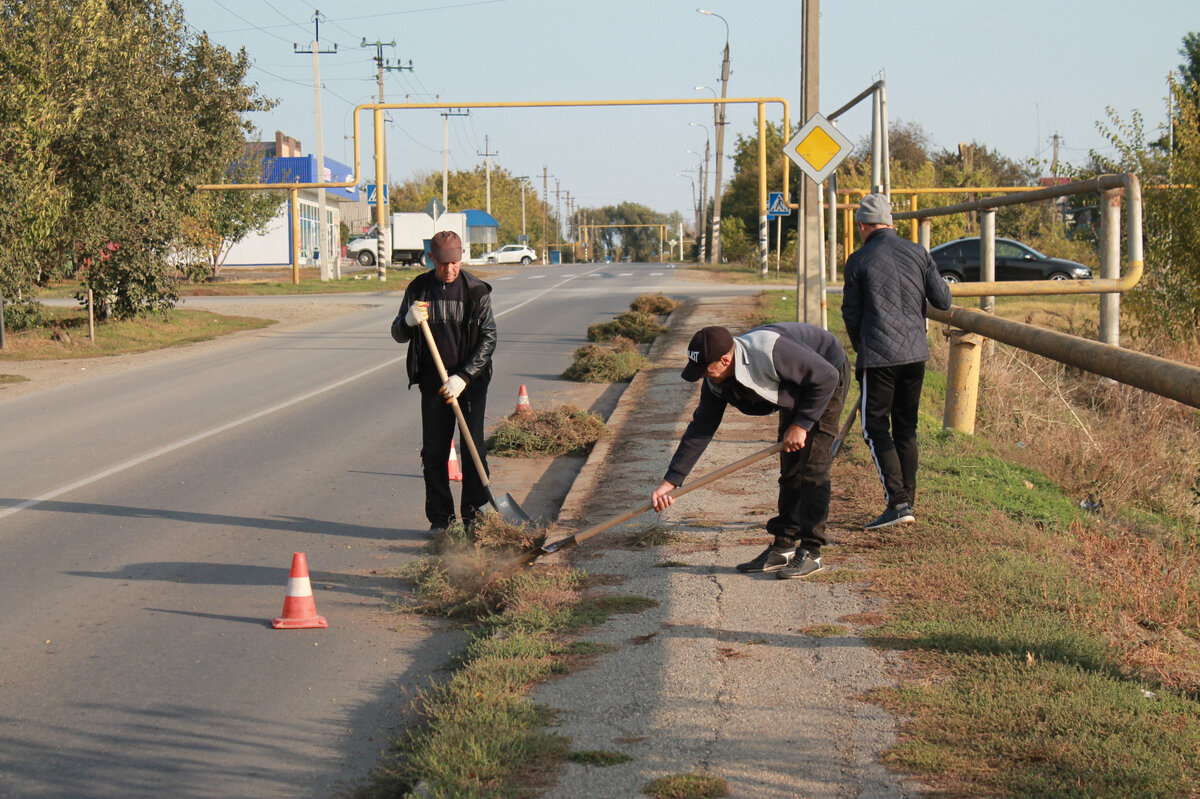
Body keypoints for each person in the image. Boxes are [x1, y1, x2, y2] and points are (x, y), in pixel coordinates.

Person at [650, 323, 849, 579]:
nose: (703, 376)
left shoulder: (772, 353)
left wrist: (802, 424)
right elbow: (701, 428)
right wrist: (671, 481)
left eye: (705, 370)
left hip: (824, 372)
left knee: (812, 469)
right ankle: (784, 545)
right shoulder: (715, 380)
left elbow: (826, 377)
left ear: (724, 360)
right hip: (794, 380)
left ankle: (812, 551)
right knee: (790, 468)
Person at [841, 193, 952, 531]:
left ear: (862, 225)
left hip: (879, 358)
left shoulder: (858, 260)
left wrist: (864, 350)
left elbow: (851, 313)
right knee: (906, 428)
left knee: (874, 428)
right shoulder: (918, 252)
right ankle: (908, 502)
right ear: (891, 222)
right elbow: (943, 301)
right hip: (916, 354)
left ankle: (898, 502)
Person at [391, 230, 498, 532]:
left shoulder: (476, 291)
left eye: (454, 262)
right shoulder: (418, 290)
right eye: (442, 264)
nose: (449, 270)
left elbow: (489, 339)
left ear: (461, 257)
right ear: (431, 260)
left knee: (473, 448)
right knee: (434, 451)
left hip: (470, 382)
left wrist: (463, 376)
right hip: (433, 383)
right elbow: (398, 333)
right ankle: (441, 520)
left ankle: (474, 516)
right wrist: (407, 321)